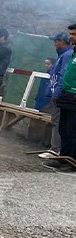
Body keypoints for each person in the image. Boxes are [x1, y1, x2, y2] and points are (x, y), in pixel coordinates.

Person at [40, 30, 75, 163]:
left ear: (63, 41)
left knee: (59, 123)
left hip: (62, 96)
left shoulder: (67, 55)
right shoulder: (63, 54)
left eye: (56, 41)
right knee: (57, 122)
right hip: (58, 94)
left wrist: (56, 94)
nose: (54, 43)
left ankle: (56, 150)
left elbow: (63, 76)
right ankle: (56, 150)